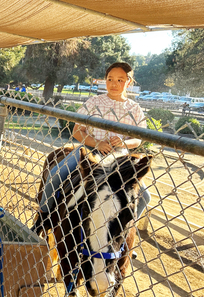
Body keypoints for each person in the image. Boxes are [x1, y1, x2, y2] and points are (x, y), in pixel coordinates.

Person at [39, 62, 150, 220]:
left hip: (119, 158)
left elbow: (138, 139)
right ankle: (43, 216)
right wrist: (97, 143)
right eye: (110, 79)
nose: (114, 84)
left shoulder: (135, 109)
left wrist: (123, 143)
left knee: (145, 197)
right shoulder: (94, 103)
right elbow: (77, 131)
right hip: (90, 151)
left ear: (129, 82)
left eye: (120, 80)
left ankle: (124, 229)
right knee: (55, 175)